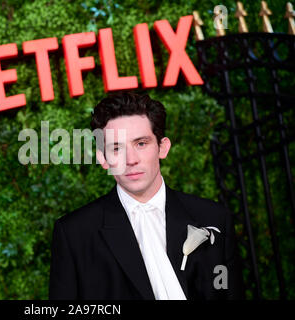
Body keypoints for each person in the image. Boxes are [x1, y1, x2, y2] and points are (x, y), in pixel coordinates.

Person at [49, 92, 244, 300]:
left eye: (141, 144)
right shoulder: (74, 233)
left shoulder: (213, 217)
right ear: (102, 159)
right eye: (116, 148)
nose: (131, 159)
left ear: (162, 147)